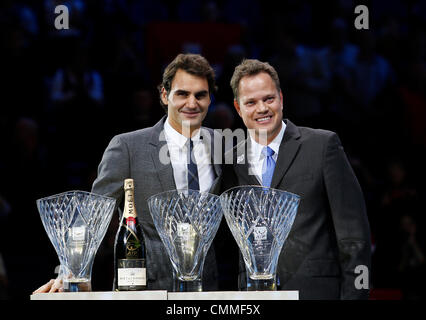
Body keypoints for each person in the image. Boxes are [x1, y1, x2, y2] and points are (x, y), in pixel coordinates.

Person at [33, 53, 223, 293]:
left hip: (210, 290)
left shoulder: (223, 147)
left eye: (200, 95)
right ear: (164, 95)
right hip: (144, 289)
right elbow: (92, 216)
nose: (192, 103)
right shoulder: (128, 147)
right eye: (182, 94)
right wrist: (66, 274)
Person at [221, 59, 371, 300]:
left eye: (268, 98)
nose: (262, 109)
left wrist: (355, 296)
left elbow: (354, 235)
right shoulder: (229, 162)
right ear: (238, 108)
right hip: (253, 298)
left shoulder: (322, 146)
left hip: (315, 293)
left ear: (281, 98)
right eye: (251, 102)